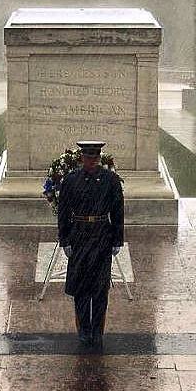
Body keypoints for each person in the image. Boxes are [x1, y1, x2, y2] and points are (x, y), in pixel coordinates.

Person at [58, 141, 124, 348]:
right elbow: (63, 212)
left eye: (94, 158)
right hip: (79, 236)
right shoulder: (70, 180)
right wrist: (65, 240)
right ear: (82, 158)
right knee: (81, 287)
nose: (91, 161)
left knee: (100, 287)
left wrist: (117, 239)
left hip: (102, 235)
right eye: (88, 158)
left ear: (99, 159)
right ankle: (84, 330)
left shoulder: (110, 180)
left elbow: (118, 211)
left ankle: (97, 330)